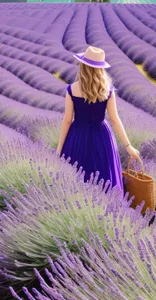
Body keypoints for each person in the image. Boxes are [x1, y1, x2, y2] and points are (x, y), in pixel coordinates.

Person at [56, 46, 141, 193]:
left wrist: (59, 149)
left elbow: (67, 120)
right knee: (105, 177)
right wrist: (128, 147)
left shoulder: (72, 89)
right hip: (102, 136)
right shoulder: (107, 90)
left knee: (75, 179)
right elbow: (114, 119)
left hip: (77, 136)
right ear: (100, 69)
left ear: (82, 66)